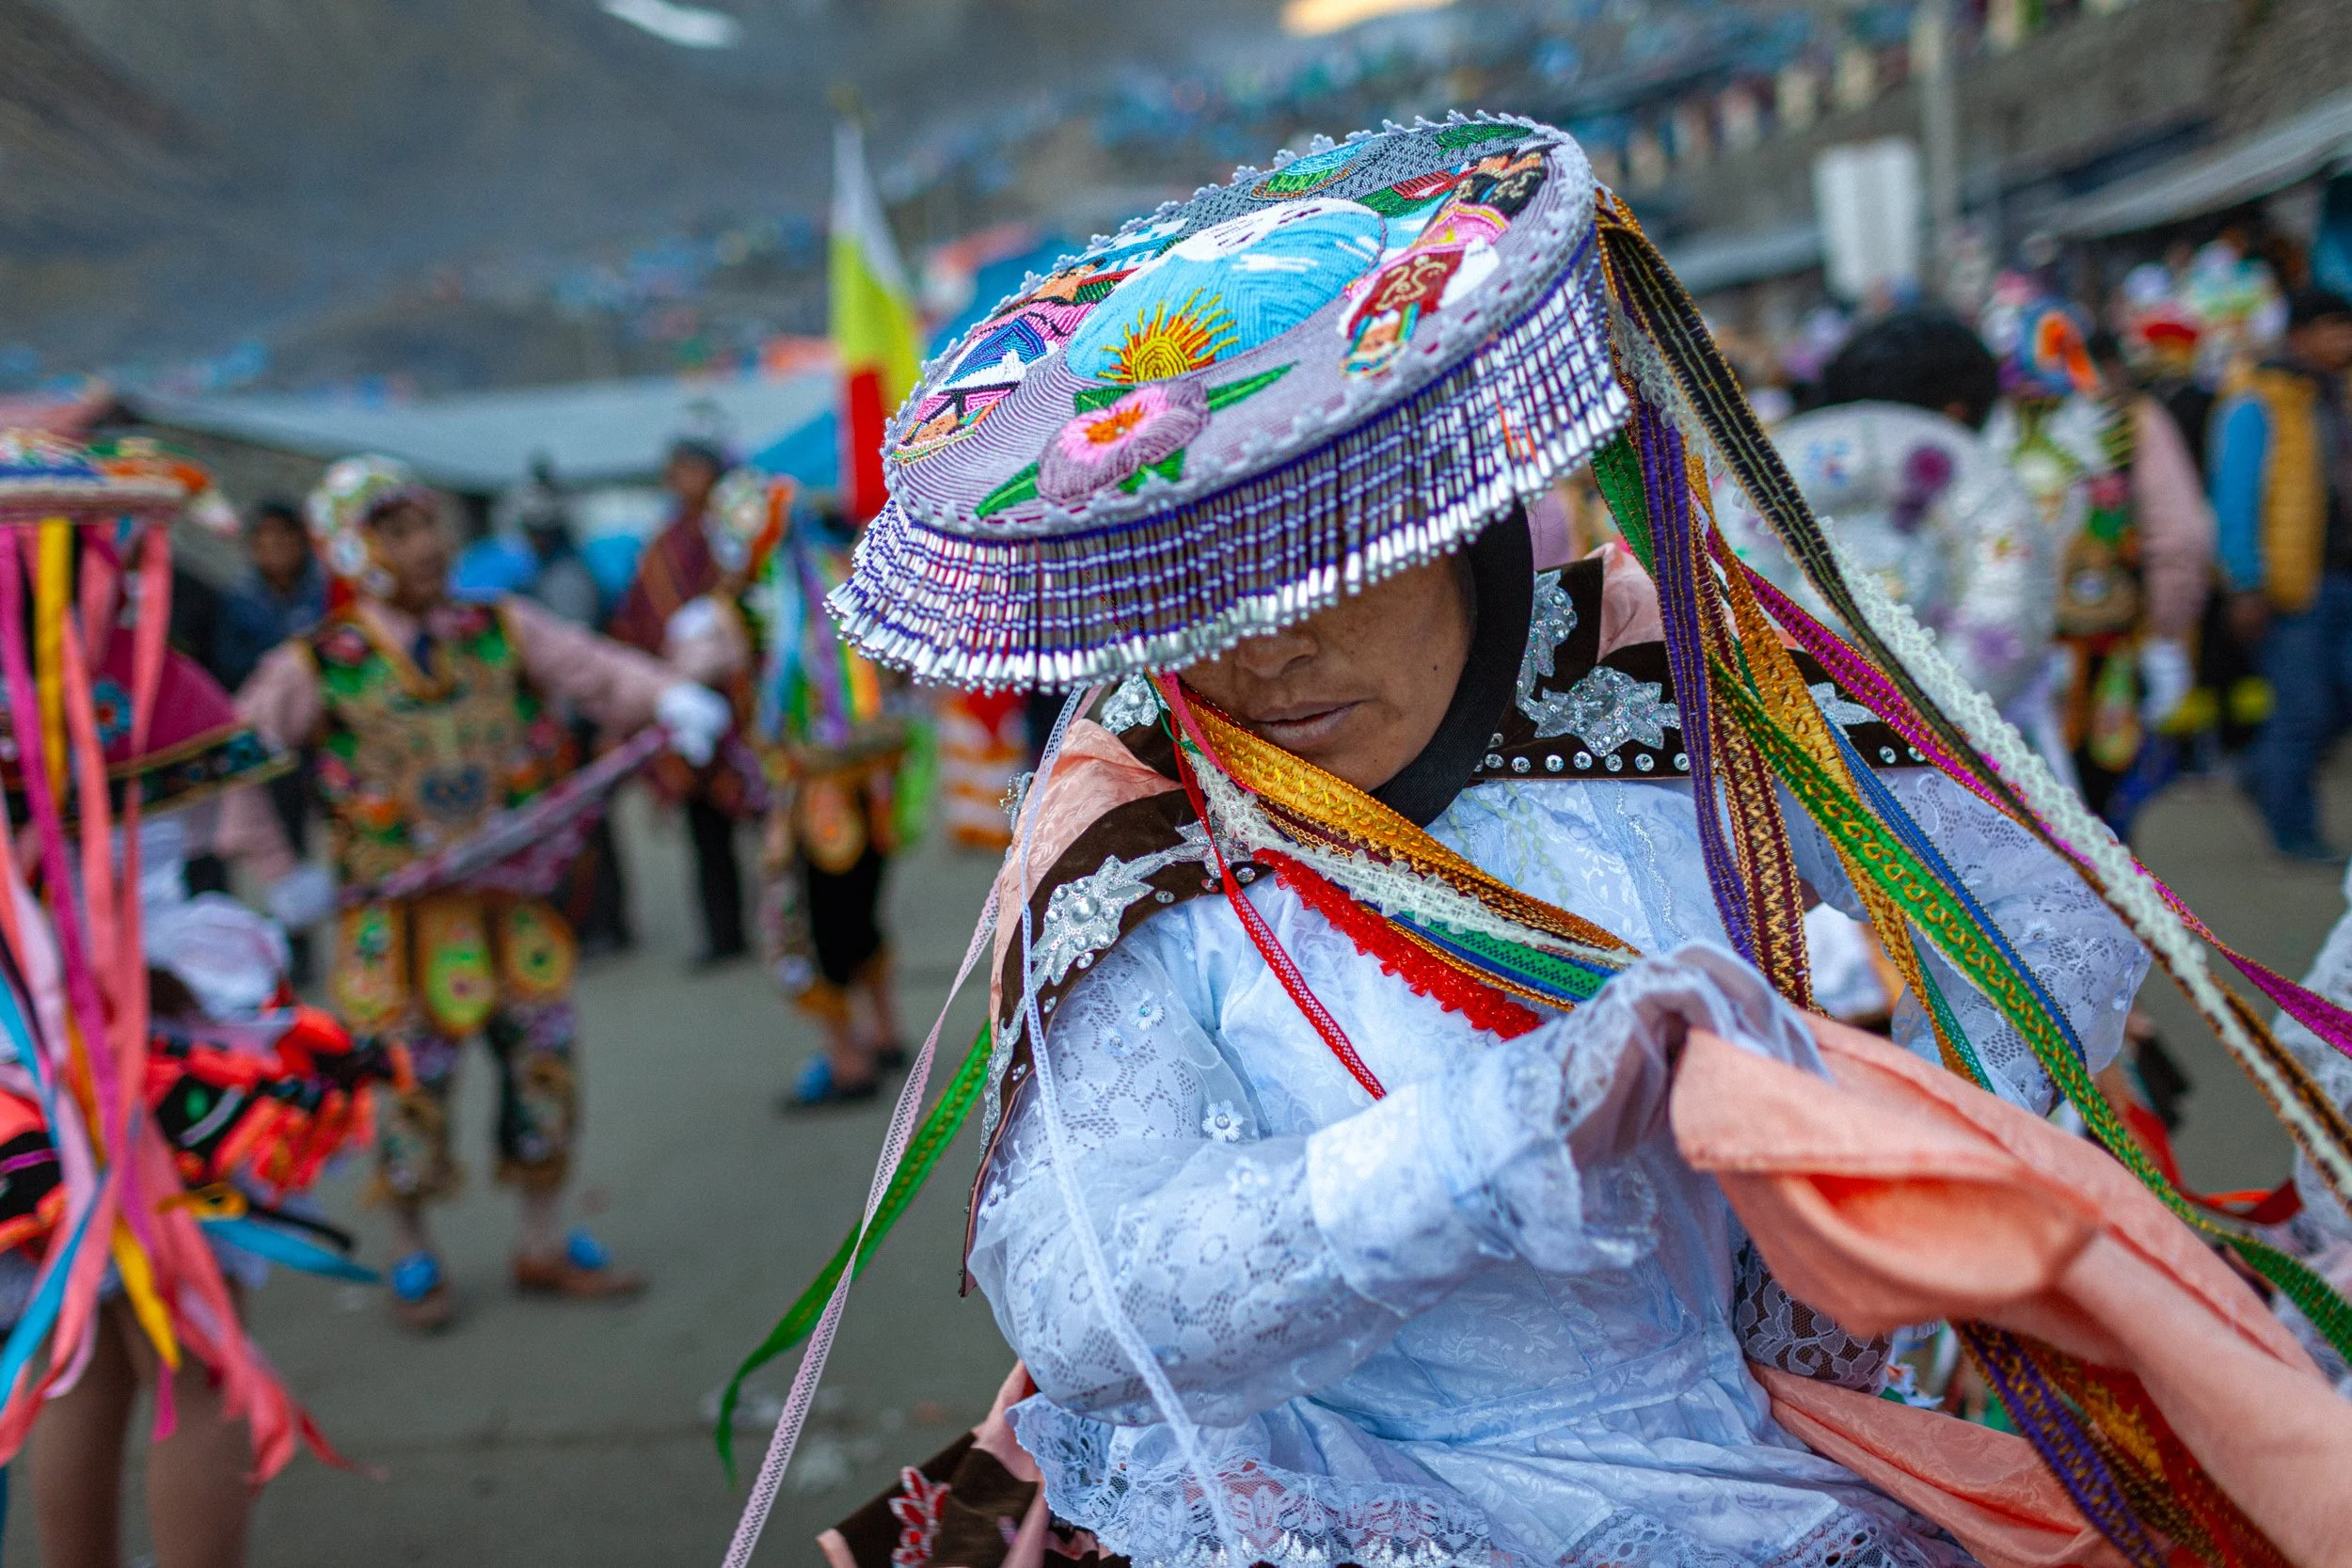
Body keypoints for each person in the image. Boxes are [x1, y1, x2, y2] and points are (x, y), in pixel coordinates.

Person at [753, 123, 2352, 1568]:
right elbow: (1090, 1292)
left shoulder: (1677, 676)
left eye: (1320, 567)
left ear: (1444, 505)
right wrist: (1505, 1128)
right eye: (1196, 605)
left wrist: (1856, 1163)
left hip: (1773, 1464)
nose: (1260, 661)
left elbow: (2032, 919)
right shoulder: (1139, 824)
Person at [236, 455, 732, 1332]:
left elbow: (594, 670)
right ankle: (412, 1249)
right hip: (398, 921)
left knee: (544, 1065)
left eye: (427, 523)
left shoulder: (500, 626)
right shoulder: (320, 661)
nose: (425, 545)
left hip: (514, 906)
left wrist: (670, 696)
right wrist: (281, 872)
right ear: (350, 549)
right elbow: (239, 758)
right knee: (406, 1082)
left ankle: (542, 1237)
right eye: (396, 531)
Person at [704, 472, 914, 1108]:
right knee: (861, 908)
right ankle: (884, 1030)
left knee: (808, 923)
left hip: (814, 790)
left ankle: (847, 1058)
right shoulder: (847, 572)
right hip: (877, 776)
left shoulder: (747, 605)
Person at [2209, 286, 2352, 862]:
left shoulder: (2339, 397)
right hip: (2293, 585)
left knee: (2337, 700)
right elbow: (2236, 497)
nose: (2344, 340)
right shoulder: (2258, 402)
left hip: (2342, 574)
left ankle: (2261, 772)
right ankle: (2293, 826)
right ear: (2299, 335)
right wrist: (2245, 581)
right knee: (2303, 707)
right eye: (2332, 327)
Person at [607, 437, 760, 965]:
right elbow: (640, 613)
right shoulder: (662, 546)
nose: (681, 480)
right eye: (675, 470)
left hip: (750, 702)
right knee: (705, 828)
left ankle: (793, 927)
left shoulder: (739, 532)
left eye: (690, 469)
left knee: (771, 817)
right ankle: (724, 934)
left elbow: (765, 594)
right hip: (688, 702)